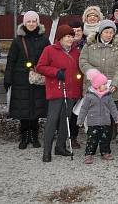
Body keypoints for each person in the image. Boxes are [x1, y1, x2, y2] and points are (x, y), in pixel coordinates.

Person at [35, 24, 83, 162]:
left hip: (71, 90)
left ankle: (60, 146)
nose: (70, 39)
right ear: (60, 38)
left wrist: (79, 89)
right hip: (56, 89)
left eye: (71, 36)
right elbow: (40, 67)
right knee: (52, 119)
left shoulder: (76, 52)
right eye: (67, 36)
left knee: (65, 119)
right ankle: (47, 150)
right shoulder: (50, 50)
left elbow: (79, 71)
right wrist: (56, 72)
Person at [4, 11, 50, 150]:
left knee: (36, 109)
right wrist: (8, 78)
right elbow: (11, 60)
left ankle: (34, 136)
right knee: (23, 109)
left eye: (33, 21)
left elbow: (48, 58)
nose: (31, 24)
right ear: (24, 23)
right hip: (21, 79)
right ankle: (24, 137)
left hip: (37, 78)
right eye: (28, 21)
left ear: (37, 22)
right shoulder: (18, 40)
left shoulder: (43, 39)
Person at [79, 19, 118, 144]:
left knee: (110, 117)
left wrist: (115, 84)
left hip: (111, 89)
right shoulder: (89, 45)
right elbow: (83, 62)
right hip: (92, 87)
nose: (109, 34)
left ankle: (106, 144)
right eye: (106, 32)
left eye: (111, 32)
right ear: (100, 32)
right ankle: (92, 143)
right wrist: (94, 76)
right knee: (93, 116)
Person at [77, 68, 118, 164]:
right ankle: (89, 154)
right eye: (104, 84)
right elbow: (84, 109)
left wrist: (116, 118)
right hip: (93, 122)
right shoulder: (89, 96)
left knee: (105, 138)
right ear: (97, 85)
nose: (106, 86)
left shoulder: (108, 96)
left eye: (106, 84)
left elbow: (112, 108)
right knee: (92, 139)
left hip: (105, 121)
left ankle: (105, 152)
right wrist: (80, 120)